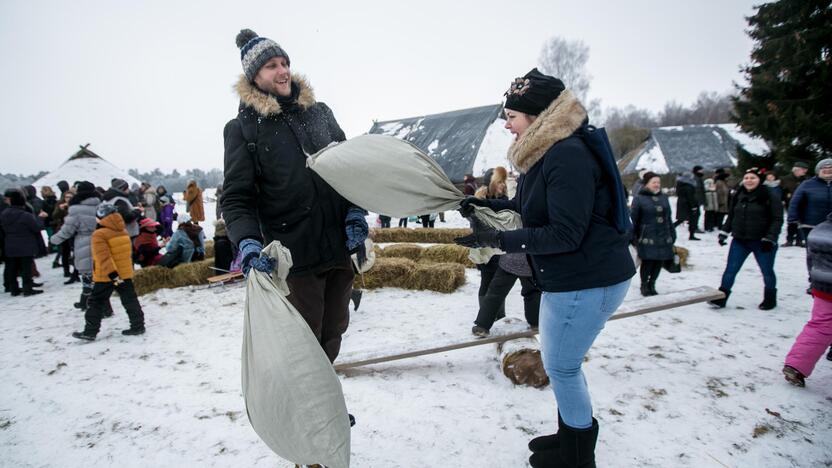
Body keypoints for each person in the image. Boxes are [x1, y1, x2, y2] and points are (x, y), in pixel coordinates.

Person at [455, 68, 635, 467]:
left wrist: (499, 241)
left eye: (511, 116)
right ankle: (569, 436)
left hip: (588, 279)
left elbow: (565, 234)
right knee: (560, 362)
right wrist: (484, 207)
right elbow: (526, 209)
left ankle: (577, 456)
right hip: (570, 278)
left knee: (563, 368)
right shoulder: (546, 153)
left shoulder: (566, 155)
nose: (506, 123)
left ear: (535, 117)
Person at [222, 29, 367, 365]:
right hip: (292, 255)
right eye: (272, 65)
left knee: (334, 332)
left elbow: (350, 170)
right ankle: (308, 413)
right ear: (254, 76)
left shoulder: (319, 113)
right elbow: (235, 198)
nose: (283, 70)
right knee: (303, 343)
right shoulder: (244, 128)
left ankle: (325, 405)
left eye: (284, 62)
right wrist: (246, 242)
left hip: (338, 247)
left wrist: (355, 213)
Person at [709, 168, 782, 310]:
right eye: (746, 178)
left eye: (752, 178)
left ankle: (770, 298)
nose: (749, 180)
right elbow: (732, 215)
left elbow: (777, 219)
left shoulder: (769, 195)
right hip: (740, 240)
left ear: (759, 180)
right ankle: (721, 297)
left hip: (762, 241)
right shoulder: (739, 194)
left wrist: (770, 238)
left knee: (767, 270)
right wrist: (724, 231)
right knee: (731, 269)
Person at [72, 203, 145, 340]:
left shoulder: (99, 234)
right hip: (124, 273)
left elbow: (103, 258)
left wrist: (113, 276)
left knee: (96, 302)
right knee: (130, 299)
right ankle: (138, 325)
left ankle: (90, 331)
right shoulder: (122, 230)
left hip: (107, 275)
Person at [782, 212, 832, 387]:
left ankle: (796, 365)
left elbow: (811, 259)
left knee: (819, 325)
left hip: (823, 286)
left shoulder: (819, 230)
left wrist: (813, 281)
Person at [50, 182, 102, 310]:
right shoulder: (101, 205)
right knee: (98, 275)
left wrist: (54, 240)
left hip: (84, 242)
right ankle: (85, 302)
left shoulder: (76, 209)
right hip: (102, 241)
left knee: (88, 276)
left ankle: (98, 307)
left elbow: (67, 230)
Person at [630, 172, 676, 296]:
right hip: (647, 236)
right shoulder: (639, 198)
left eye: (658, 182)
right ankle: (644, 285)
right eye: (654, 182)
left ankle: (652, 284)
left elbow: (668, 218)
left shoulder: (664, 198)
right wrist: (632, 237)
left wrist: (672, 233)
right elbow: (634, 219)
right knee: (648, 261)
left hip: (663, 235)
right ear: (647, 184)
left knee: (659, 262)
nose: (657, 185)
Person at [787, 159, 832, 284]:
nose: (828, 170)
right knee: (814, 254)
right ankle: (814, 281)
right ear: (818, 171)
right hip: (811, 225)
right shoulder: (807, 184)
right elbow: (795, 202)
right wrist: (792, 219)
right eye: (824, 168)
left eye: (830, 168)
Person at [0, 188, 44, 296]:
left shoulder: (4, 214)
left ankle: (14, 289)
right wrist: (40, 218)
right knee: (26, 268)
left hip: (9, 243)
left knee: (12, 267)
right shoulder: (26, 215)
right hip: (26, 244)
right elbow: (36, 227)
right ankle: (27, 288)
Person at [781, 161, 810, 247]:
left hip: (804, 204)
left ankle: (799, 240)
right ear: (796, 170)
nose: (805, 171)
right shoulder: (785, 179)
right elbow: (782, 191)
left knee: (801, 222)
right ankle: (789, 240)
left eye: (805, 170)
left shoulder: (807, 179)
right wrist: (782, 199)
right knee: (791, 222)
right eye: (803, 170)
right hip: (790, 204)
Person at [673, 171, 701, 240]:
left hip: (682, 204)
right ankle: (691, 235)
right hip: (688, 205)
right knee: (692, 219)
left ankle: (671, 228)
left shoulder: (681, 184)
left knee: (681, 219)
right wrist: (693, 206)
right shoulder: (688, 186)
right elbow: (690, 197)